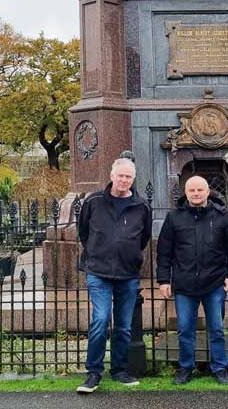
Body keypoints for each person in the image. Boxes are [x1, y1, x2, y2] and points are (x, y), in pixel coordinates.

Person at [156, 175, 228, 385]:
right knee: (185, 329)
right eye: (192, 190)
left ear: (207, 192)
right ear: (186, 193)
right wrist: (163, 280)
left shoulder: (222, 217)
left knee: (217, 329)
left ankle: (220, 368)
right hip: (185, 284)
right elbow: (164, 252)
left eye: (200, 190)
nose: (196, 193)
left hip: (214, 283)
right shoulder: (174, 218)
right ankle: (186, 368)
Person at [75, 157, 153, 393]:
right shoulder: (94, 201)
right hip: (98, 271)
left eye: (128, 176)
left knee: (124, 326)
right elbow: (83, 232)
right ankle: (94, 372)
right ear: (111, 176)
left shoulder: (141, 206)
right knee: (100, 320)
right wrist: (98, 252)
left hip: (128, 273)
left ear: (133, 179)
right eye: (120, 175)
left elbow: (144, 238)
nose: (123, 180)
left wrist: (126, 252)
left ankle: (119, 369)